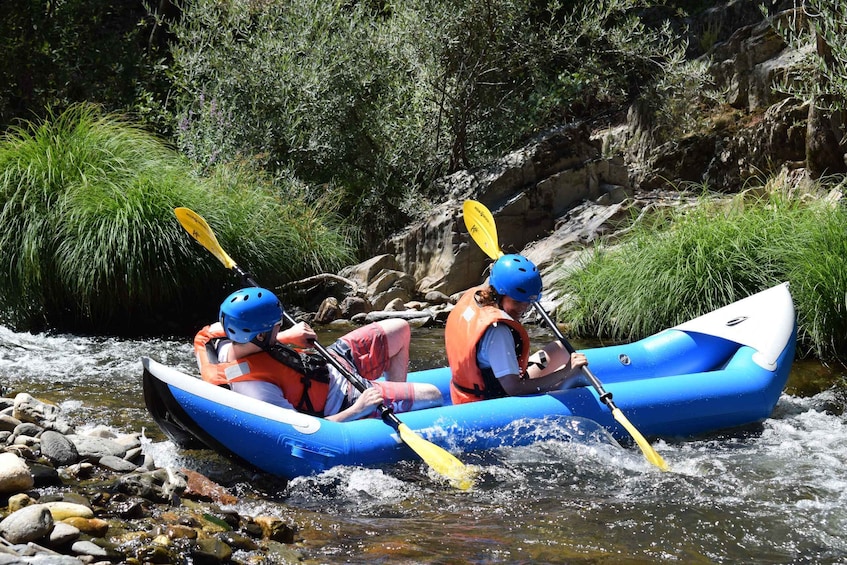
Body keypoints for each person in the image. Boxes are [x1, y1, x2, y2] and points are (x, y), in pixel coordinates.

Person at [195, 287, 443, 421]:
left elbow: (219, 336)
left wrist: (286, 336)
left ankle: (394, 399)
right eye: (277, 326)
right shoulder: (256, 388)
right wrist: (359, 407)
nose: (281, 327)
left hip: (329, 361)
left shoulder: (225, 335)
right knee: (433, 395)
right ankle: (382, 406)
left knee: (399, 327)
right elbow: (304, 429)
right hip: (346, 399)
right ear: (260, 335)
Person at [445, 253, 589, 405]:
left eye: (527, 302)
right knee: (575, 376)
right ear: (499, 293)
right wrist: (565, 372)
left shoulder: (477, 299)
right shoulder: (498, 331)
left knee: (560, 348)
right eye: (516, 301)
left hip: (467, 391)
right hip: (491, 403)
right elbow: (514, 389)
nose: (523, 307)